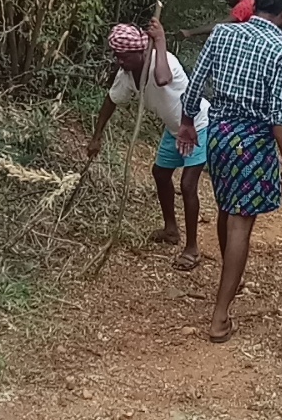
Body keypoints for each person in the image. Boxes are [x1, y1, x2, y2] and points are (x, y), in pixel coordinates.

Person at [179, 0, 282, 344]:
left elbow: (196, 83)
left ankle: (230, 278)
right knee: (240, 224)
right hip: (252, 142)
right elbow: (280, 114)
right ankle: (219, 318)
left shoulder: (222, 35)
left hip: (218, 134)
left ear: (253, 5)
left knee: (227, 208)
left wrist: (187, 123)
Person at [86, 18, 210, 271]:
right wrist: (97, 135)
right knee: (160, 173)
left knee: (188, 185)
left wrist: (161, 39)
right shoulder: (127, 75)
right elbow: (111, 101)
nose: (121, 61)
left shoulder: (164, 60)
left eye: (125, 56)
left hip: (197, 124)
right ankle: (171, 229)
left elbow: (162, 79)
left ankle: (192, 248)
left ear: (142, 50)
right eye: (117, 56)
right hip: (174, 129)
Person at [179, 0, 256, 39]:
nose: (227, 2)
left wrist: (189, 32)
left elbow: (221, 26)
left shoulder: (243, 6)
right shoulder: (252, 1)